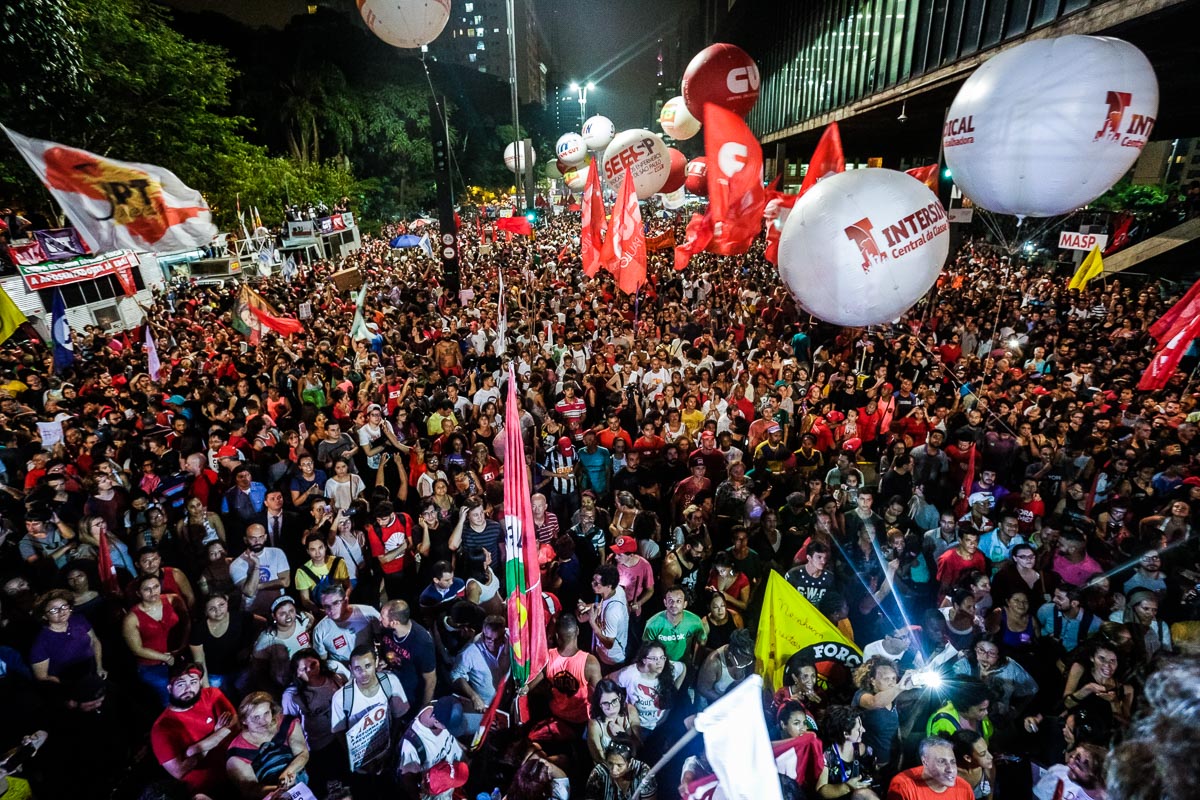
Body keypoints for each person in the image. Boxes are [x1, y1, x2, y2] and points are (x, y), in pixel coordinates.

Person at [330, 645, 410, 799]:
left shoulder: (390, 682)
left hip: (388, 758)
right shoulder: (341, 698)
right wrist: (357, 760)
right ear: (351, 669)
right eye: (357, 668)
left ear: (376, 662)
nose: (363, 673)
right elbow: (339, 732)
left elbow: (399, 716)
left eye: (368, 666)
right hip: (361, 767)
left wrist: (390, 748)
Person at [150, 662, 239, 798]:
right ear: (169, 688)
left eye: (193, 682)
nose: (188, 689)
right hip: (205, 786)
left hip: (235, 763)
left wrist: (195, 749)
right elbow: (179, 771)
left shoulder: (211, 694)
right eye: (181, 684)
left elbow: (235, 723)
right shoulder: (162, 727)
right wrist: (210, 741)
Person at [281, 648, 348, 798]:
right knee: (329, 785)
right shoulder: (292, 696)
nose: (310, 670)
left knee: (346, 778)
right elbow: (290, 726)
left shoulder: (334, 679)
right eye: (304, 669)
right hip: (319, 747)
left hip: (343, 737)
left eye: (313, 665)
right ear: (297, 672)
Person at [225, 691, 309, 798]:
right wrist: (280, 788)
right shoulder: (237, 753)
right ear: (244, 721)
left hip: (302, 786)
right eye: (256, 717)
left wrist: (288, 773)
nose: (263, 721)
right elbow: (250, 789)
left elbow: (302, 753)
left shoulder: (286, 723)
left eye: (266, 713)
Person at [123, 573, 190, 705]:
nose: (152, 592)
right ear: (138, 593)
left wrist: (183, 646)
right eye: (147, 589)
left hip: (178, 657)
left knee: (187, 694)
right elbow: (137, 649)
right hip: (152, 667)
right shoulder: (131, 618)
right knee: (168, 700)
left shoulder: (173, 600)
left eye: (156, 587)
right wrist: (165, 658)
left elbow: (186, 622)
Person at [396, 695, 466, 800]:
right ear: (437, 722)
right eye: (449, 728)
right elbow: (407, 780)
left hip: (450, 779)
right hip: (434, 791)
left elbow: (449, 738)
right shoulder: (412, 745)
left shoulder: (440, 707)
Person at [379, 599, 438, 711]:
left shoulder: (422, 642)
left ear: (395, 622)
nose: (379, 619)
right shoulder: (386, 629)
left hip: (410, 693)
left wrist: (424, 709)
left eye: (382, 616)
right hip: (391, 681)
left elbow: (431, 679)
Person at [815, 705, 880, 800]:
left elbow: (875, 776)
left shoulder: (864, 750)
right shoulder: (827, 755)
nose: (863, 730)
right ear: (845, 734)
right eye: (858, 729)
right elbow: (821, 789)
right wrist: (847, 787)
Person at [312, 583, 382, 671]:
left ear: (345, 601)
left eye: (336, 603)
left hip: (369, 667)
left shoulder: (369, 613)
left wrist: (381, 660)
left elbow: (382, 640)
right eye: (326, 606)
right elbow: (322, 660)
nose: (331, 609)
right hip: (343, 672)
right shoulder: (320, 630)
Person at [577, 564, 629, 670]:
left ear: (609, 586)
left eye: (597, 583)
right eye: (593, 580)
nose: (592, 584)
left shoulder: (612, 612)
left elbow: (609, 643)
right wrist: (589, 606)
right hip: (605, 652)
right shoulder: (617, 590)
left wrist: (592, 623)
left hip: (611, 659)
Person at [886, 737, 973, 800]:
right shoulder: (903, 786)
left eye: (952, 762)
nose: (950, 769)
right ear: (925, 762)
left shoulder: (964, 788)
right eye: (942, 761)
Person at [641, 585, 705, 665]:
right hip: (661, 665)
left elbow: (701, 642)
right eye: (670, 600)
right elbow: (646, 648)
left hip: (684, 664)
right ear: (665, 603)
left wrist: (695, 662)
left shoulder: (695, 621)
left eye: (678, 601)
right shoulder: (653, 624)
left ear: (685, 604)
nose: (674, 605)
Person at [584, 736, 657, 800]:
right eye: (610, 763)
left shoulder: (643, 773)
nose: (613, 770)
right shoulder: (599, 773)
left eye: (619, 765)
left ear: (630, 762)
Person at [949, 730, 993, 800]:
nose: (991, 756)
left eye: (987, 750)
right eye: (983, 754)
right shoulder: (950, 775)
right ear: (968, 758)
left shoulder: (987, 768)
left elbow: (990, 793)